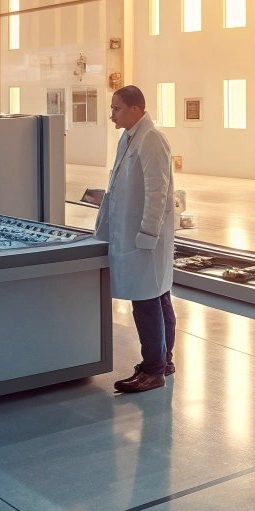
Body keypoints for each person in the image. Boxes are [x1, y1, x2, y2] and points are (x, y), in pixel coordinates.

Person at [94, 85, 176, 394]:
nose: (112, 114)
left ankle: (153, 370)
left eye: (116, 108)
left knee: (147, 301)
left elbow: (158, 191)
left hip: (145, 238)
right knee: (158, 295)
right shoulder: (129, 137)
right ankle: (163, 360)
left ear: (136, 109)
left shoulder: (151, 139)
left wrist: (148, 234)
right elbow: (117, 188)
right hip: (132, 234)